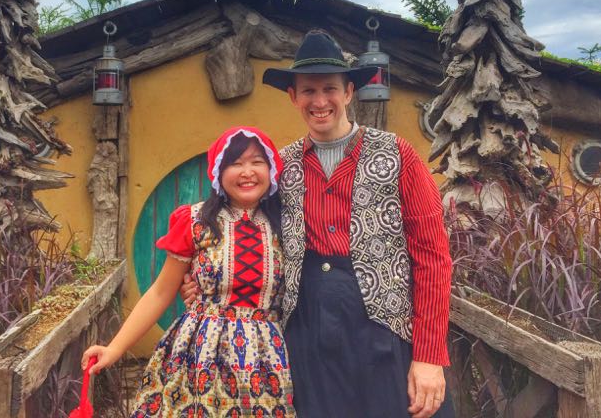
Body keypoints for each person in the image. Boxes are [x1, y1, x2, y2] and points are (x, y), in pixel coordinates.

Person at [183, 30, 454, 418]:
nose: (320, 101)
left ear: (348, 93)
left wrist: (429, 356)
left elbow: (433, 258)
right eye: (308, 91)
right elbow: (239, 226)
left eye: (330, 88)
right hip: (308, 330)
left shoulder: (397, 156)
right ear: (293, 97)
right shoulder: (282, 167)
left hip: (384, 330)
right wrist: (194, 275)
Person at [82, 126, 296, 418]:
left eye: (257, 161)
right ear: (219, 171)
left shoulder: (288, 226)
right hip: (201, 354)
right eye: (236, 163)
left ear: (271, 169)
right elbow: (159, 293)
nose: (247, 171)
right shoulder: (196, 222)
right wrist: (115, 349)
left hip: (266, 358)